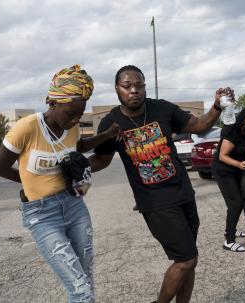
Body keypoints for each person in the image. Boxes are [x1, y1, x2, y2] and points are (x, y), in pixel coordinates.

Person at [89, 65, 226, 303]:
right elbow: (101, 159)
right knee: (186, 259)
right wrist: (73, 168)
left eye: (139, 86)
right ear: (117, 89)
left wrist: (216, 106)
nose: (134, 91)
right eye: (127, 86)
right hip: (154, 201)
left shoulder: (162, 108)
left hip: (184, 193)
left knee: (189, 260)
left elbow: (199, 125)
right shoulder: (111, 123)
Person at [0, 65, 120, 302]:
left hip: (74, 206)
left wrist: (106, 135)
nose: (75, 120)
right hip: (42, 216)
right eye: (71, 113)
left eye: (80, 114)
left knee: (85, 277)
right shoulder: (27, 127)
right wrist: (32, 182)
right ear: (52, 103)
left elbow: (79, 147)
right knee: (80, 287)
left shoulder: (69, 128)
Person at [212, 108, 245, 252]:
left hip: (237, 171)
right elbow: (222, 156)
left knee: (236, 202)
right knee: (236, 203)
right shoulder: (232, 131)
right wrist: (238, 164)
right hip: (224, 171)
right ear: (242, 119)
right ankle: (229, 240)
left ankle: (231, 229)